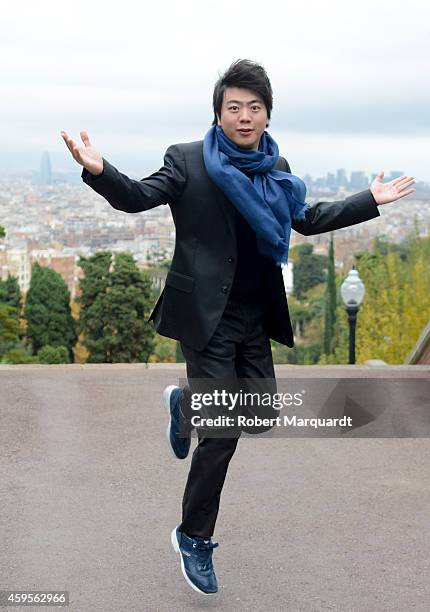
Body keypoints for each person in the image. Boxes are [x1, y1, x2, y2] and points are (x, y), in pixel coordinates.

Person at [61, 59, 415, 595]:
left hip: (253, 312)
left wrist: (370, 201)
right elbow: (138, 197)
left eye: (254, 107)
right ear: (219, 113)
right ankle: (193, 536)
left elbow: (306, 218)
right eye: (234, 108)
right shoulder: (186, 162)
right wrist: (98, 169)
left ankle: (185, 404)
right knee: (223, 432)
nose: (244, 117)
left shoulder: (277, 167)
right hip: (204, 317)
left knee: (263, 412)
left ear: (267, 115)